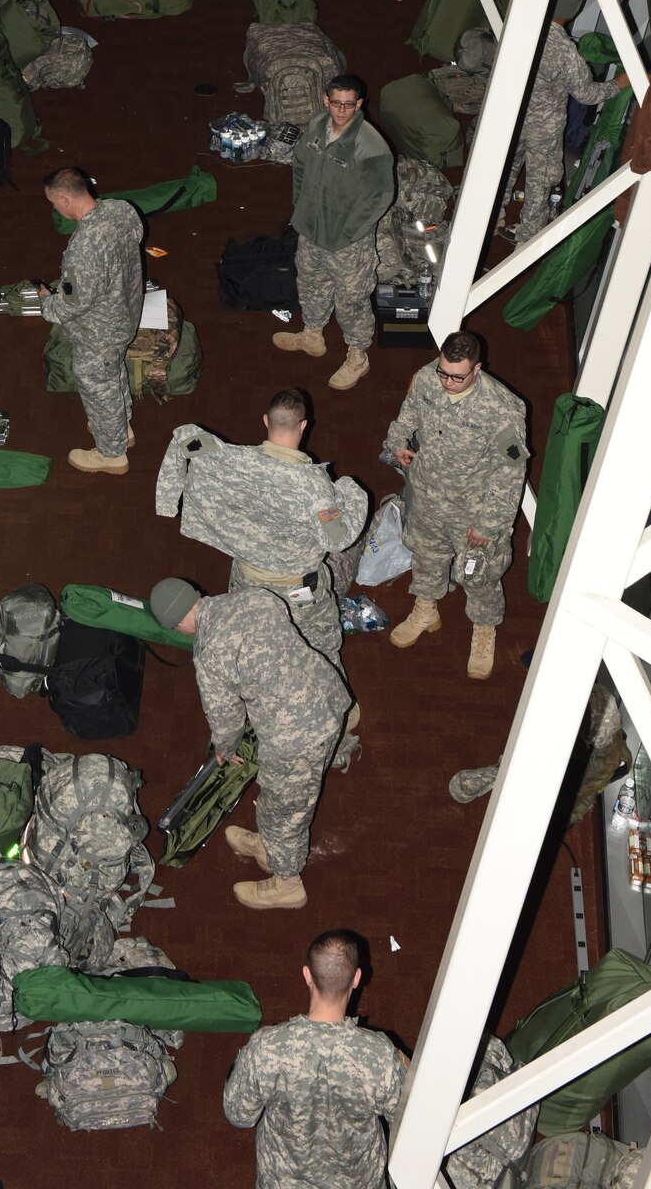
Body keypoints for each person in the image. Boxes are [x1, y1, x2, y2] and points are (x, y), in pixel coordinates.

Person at [149, 577, 352, 910]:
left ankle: (287, 882)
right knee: (285, 799)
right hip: (329, 696)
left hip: (297, 737)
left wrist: (224, 749)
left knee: (285, 811)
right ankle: (270, 846)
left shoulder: (210, 653)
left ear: (177, 623)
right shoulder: (254, 597)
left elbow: (227, 720)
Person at [155, 389, 367, 669]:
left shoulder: (233, 460)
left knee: (252, 638)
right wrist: (352, 491)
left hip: (246, 582)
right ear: (304, 425)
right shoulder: (315, 488)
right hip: (298, 593)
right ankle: (335, 703)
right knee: (321, 643)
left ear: (266, 421)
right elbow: (339, 538)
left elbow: (184, 437)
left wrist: (167, 503)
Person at [384, 329, 529, 680]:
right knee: (427, 556)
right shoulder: (425, 378)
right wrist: (398, 441)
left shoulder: (502, 409)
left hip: (471, 513)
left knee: (477, 575)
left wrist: (488, 525)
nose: (447, 381)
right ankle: (426, 608)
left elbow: (510, 474)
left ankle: (483, 629)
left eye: (457, 377)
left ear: (477, 369)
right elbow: (407, 417)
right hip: (427, 498)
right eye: (444, 372)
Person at [223, 930, 407, 1188]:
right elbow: (409, 1119)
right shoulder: (380, 1055)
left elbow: (239, 1115)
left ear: (307, 975)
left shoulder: (266, 1048)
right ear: (356, 979)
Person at [274, 75, 395, 392]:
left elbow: (380, 196)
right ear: (326, 101)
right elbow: (299, 163)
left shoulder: (369, 145)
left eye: (349, 104)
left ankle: (358, 356)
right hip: (311, 230)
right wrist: (299, 204)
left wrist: (350, 232)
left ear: (359, 104)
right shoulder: (317, 126)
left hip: (346, 244)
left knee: (351, 300)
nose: (342, 111)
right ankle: (312, 335)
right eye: (336, 103)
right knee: (311, 281)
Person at [502, 0, 631, 242]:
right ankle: (526, 241)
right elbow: (586, 94)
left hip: (510, 119)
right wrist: (617, 85)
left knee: (505, 170)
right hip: (544, 129)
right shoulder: (565, 50)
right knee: (539, 185)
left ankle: (494, 215)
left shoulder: (521, 29)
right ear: (573, 12)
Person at [39, 166, 143, 475]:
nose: (54, 208)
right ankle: (120, 426)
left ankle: (112, 454)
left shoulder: (85, 246)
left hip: (99, 331)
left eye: (53, 202)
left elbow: (72, 305)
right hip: (125, 313)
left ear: (65, 200)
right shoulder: (119, 209)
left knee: (98, 383)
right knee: (112, 371)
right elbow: (136, 237)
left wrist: (47, 301)